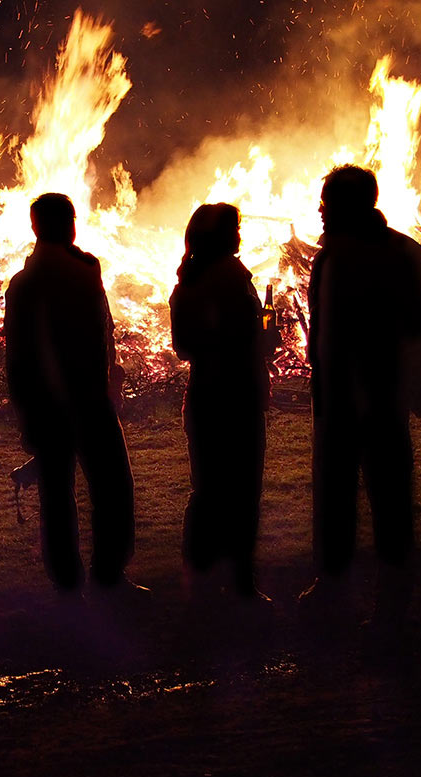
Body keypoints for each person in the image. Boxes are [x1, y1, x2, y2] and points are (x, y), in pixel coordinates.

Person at [304, 164, 421, 632]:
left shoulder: (388, 254)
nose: (320, 211)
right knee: (342, 494)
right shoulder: (380, 252)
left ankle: (389, 601)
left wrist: (389, 366)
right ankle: (339, 586)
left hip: (374, 398)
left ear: (348, 205)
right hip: (345, 398)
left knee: (381, 496)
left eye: (327, 202)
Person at [3, 193, 139, 595]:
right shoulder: (65, 274)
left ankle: (74, 582)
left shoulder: (34, 279)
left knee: (64, 495)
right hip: (79, 401)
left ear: (34, 227)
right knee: (107, 488)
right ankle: (100, 576)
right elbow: (24, 355)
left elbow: (20, 358)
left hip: (66, 403)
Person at [169, 203, 276, 601]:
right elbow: (240, 338)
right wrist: (260, 340)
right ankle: (241, 584)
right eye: (235, 228)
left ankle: (200, 581)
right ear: (221, 236)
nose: (240, 235)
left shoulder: (187, 283)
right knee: (242, 493)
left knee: (209, 491)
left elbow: (183, 346)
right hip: (236, 396)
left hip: (204, 397)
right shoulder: (231, 279)